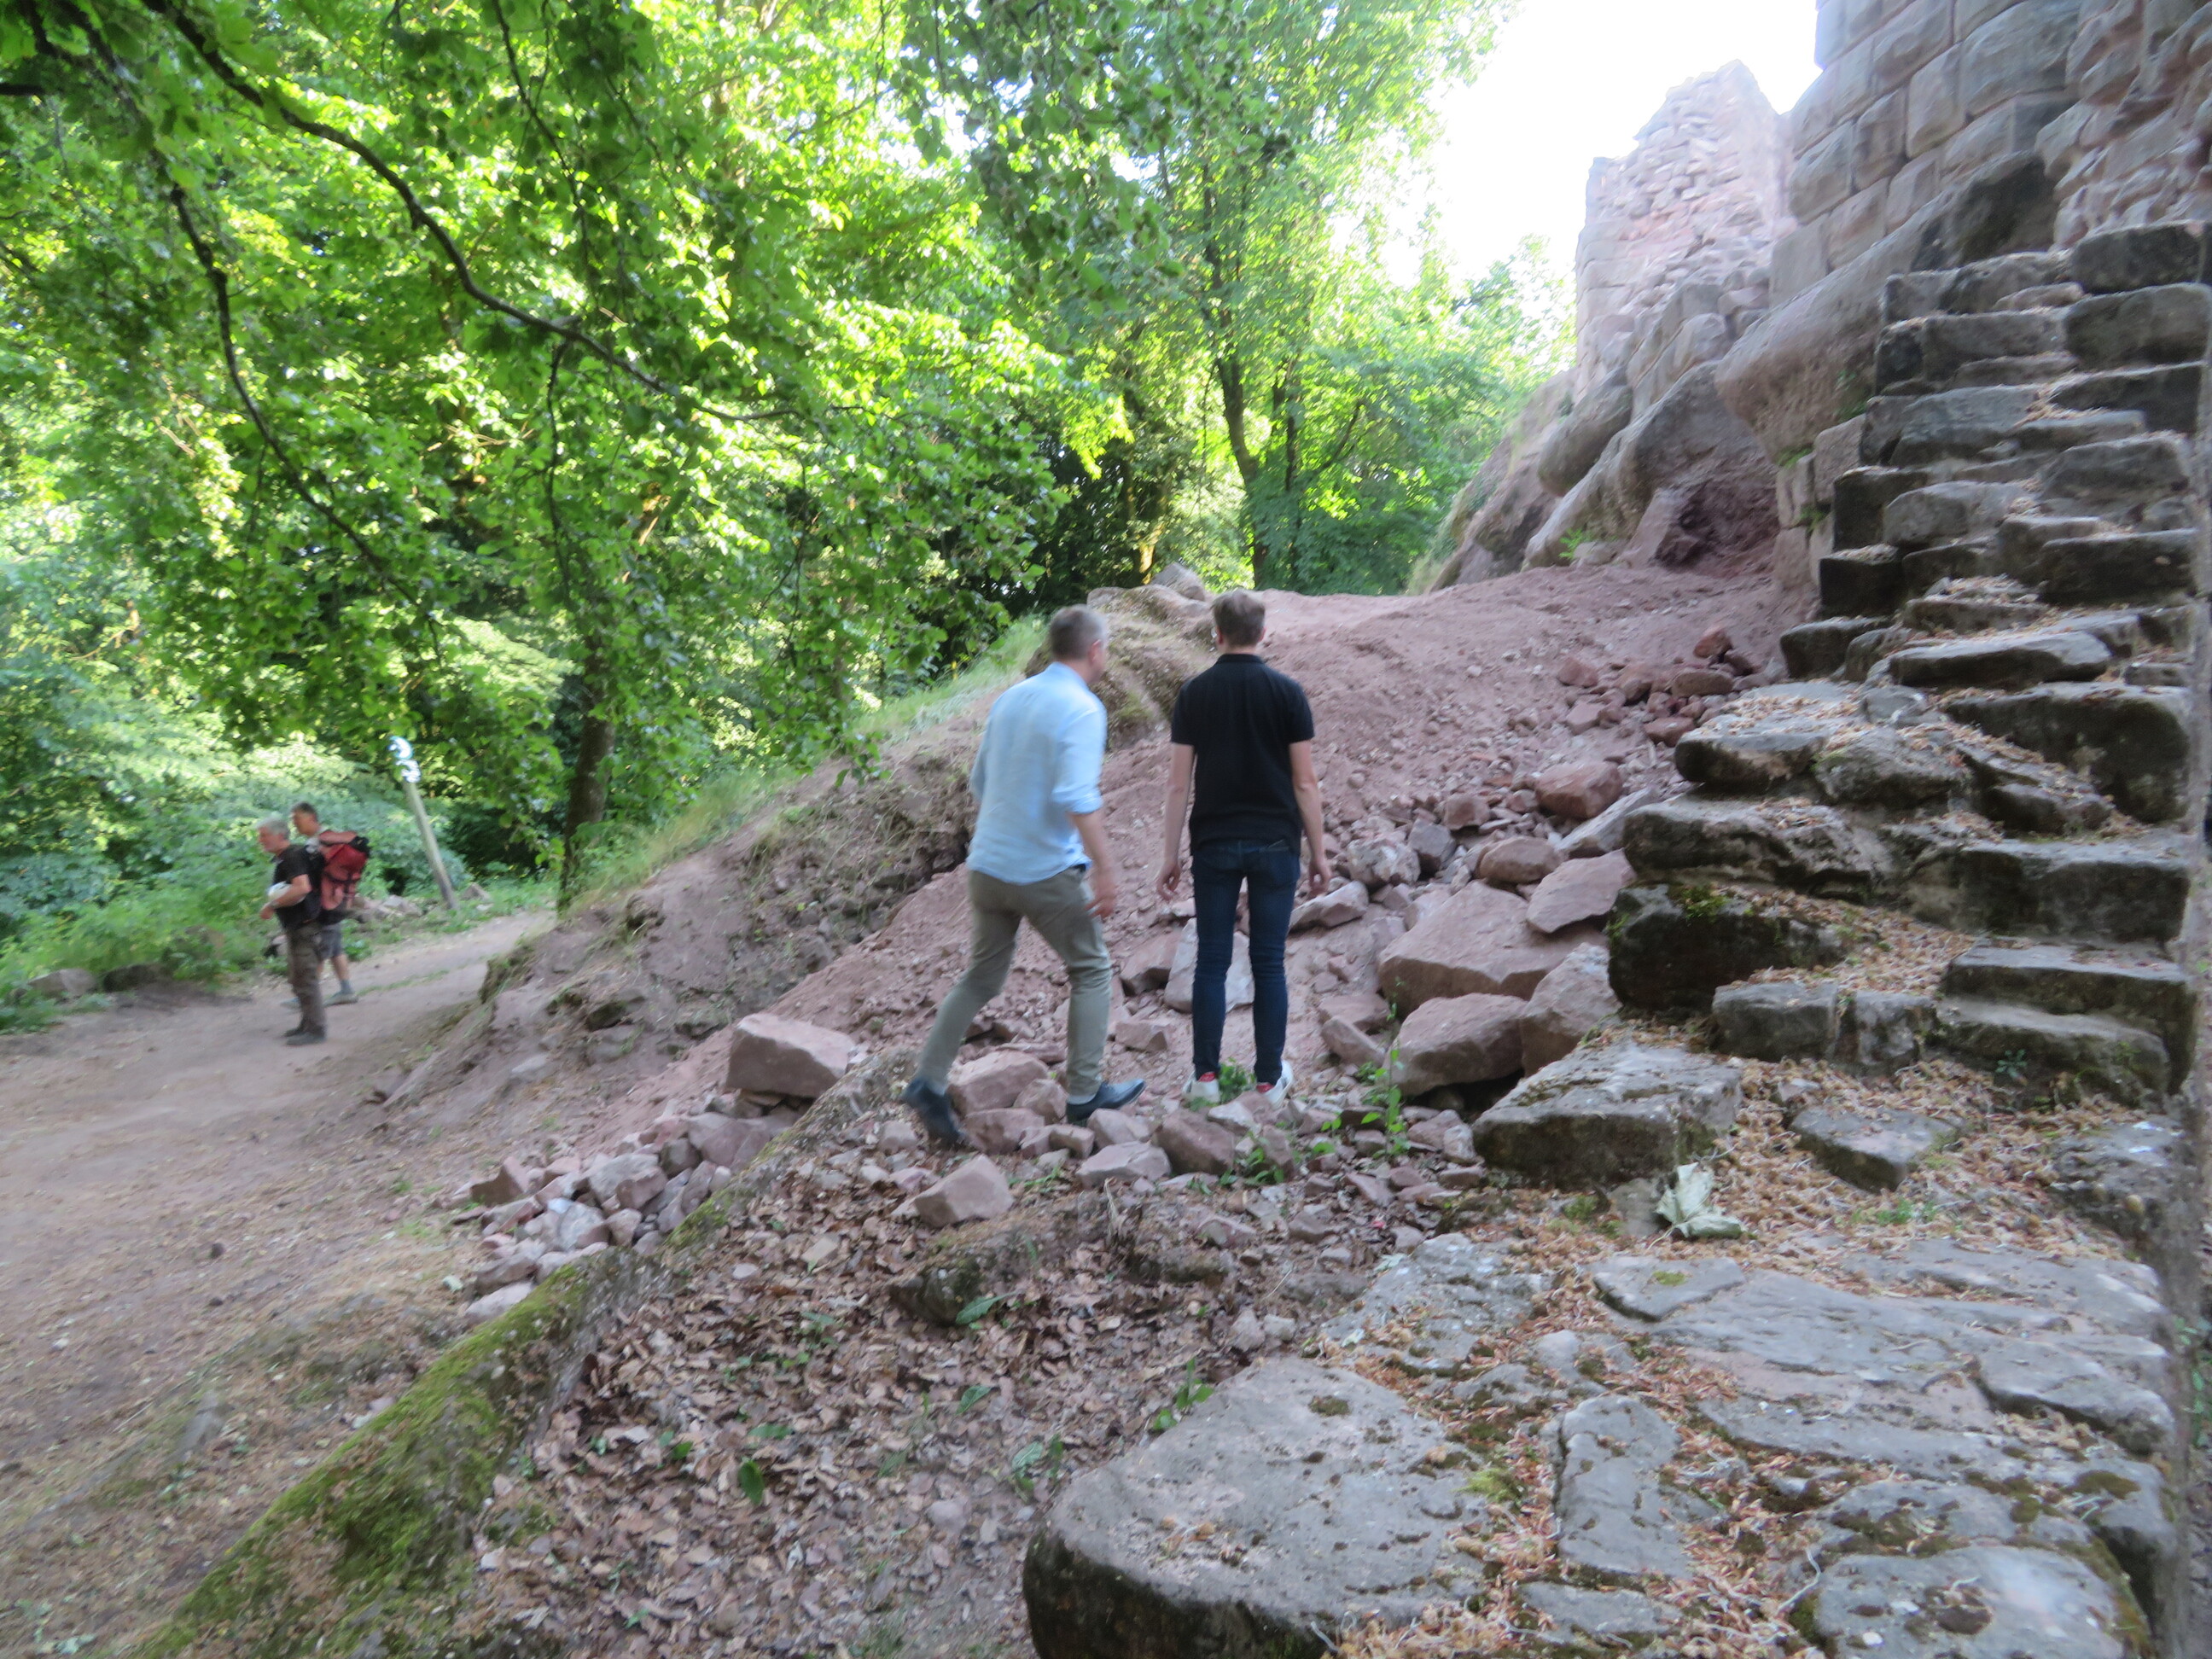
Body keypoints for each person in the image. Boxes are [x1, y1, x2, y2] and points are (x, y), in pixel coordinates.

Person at [904, 605, 1147, 1145]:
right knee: (1091, 968)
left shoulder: (1011, 699)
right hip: (1043, 869)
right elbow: (1077, 796)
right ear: (1095, 650)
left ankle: (928, 1081)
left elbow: (980, 782)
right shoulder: (1082, 708)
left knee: (981, 978)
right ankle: (1084, 1093)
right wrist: (1106, 870)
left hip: (988, 866)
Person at [1155, 591, 1329, 1106]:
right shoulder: (1288, 693)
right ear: (1263, 633)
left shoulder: (1194, 694)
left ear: (1217, 635)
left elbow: (1177, 785)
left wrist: (1170, 855)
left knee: (1212, 960)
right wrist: (1319, 853)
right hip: (1276, 842)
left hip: (1214, 843)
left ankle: (1205, 1080)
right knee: (1268, 961)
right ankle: (1269, 1080)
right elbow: (1305, 783)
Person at [256, 815, 326, 1045]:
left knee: (306, 978)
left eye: (264, 835)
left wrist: (273, 905)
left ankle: (316, 1030)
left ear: (279, 835)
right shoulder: (287, 857)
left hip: (307, 927)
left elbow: (302, 888)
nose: (260, 840)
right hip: (298, 927)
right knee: (298, 978)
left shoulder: (293, 856)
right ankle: (307, 1025)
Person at [291, 801, 365, 1004]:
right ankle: (346, 990)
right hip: (338, 900)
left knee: (321, 949)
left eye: (297, 818)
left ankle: (306, 996)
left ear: (311, 818)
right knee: (335, 948)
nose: (294, 822)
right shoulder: (329, 839)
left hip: (327, 904)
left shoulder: (318, 843)